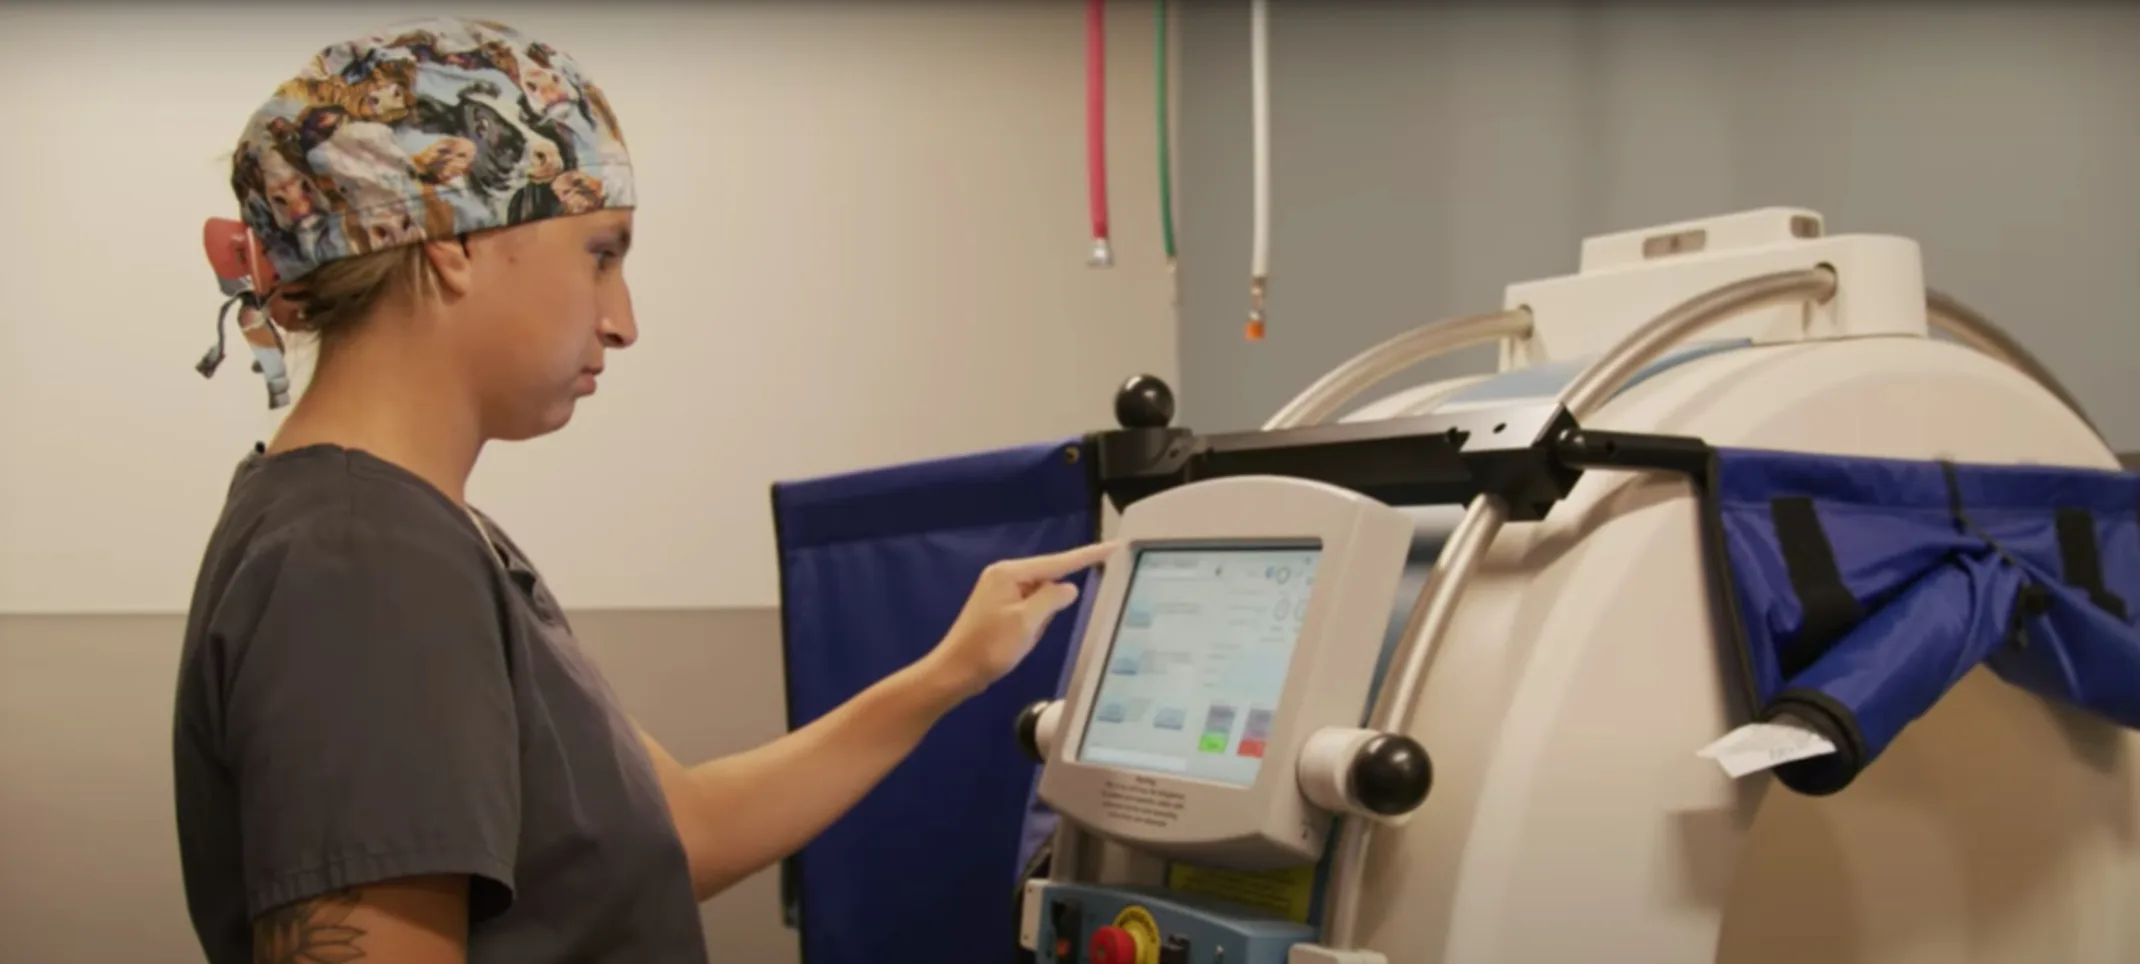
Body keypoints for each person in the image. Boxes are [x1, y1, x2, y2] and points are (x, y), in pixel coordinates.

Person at [170, 17, 1110, 964]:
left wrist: (951, 672)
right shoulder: (359, 561)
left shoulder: (416, 532)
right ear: (451, 241)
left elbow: (681, 833)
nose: (623, 321)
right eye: (601, 253)